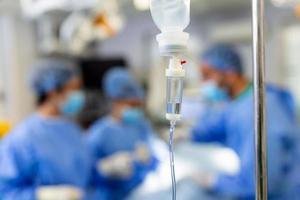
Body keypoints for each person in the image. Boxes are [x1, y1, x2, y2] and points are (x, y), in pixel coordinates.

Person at [191, 44, 298, 199]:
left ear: (230, 74)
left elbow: (263, 181)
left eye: (207, 76)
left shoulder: (258, 108)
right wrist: (187, 133)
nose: (204, 83)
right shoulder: (236, 104)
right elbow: (212, 129)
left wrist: (215, 181)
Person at [0, 58, 93, 200]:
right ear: (52, 91)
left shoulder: (73, 130)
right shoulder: (21, 139)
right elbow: (6, 193)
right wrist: (42, 196)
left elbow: (85, 174)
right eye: (73, 89)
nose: (78, 95)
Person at [87, 68, 158, 200]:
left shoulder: (142, 126)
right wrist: (105, 169)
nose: (136, 109)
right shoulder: (99, 134)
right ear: (115, 101)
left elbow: (156, 159)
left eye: (138, 105)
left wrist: (150, 159)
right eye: (131, 104)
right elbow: (86, 174)